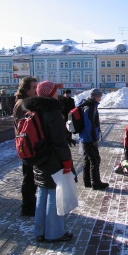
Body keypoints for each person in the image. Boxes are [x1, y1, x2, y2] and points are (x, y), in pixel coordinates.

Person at [22, 80, 74, 242]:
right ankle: (55, 233)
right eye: (55, 90)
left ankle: (40, 231)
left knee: (43, 193)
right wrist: (67, 161)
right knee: (54, 195)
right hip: (52, 159)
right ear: (49, 93)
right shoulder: (52, 112)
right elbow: (59, 141)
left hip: (39, 158)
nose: (57, 93)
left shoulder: (34, 109)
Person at [13, 76, 38, 217]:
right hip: (26, 145)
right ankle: (28, 208)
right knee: (28, 177)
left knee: (29, 176)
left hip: (25, 145)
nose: (36, 90)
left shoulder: (23, 101)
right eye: (34, 87)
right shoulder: (23, 104)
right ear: (26, 88)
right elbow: (26, 128)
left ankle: (29, 205)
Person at [78, 88, 109, 190]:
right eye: (100, 96)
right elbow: (89, 124)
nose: (101, 98)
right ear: (95, 96)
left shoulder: (89, 105)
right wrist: (93, 139)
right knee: (95, 160)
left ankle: (87, 182)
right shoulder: (90, 107)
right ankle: (96, 183)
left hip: (85, 138)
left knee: (88, 159)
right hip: (88, 139)